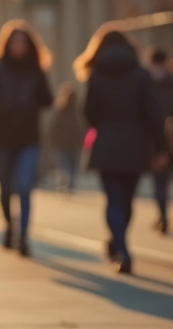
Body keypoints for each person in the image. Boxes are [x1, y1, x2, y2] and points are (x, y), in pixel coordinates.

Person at [76, 26, 170, 274]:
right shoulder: (141, 75)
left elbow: (89, 114)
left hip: (106, 144)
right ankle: (121, 245)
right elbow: (154, 113)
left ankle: (121, 246)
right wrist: (161, 148)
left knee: (114, 200)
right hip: (135, 146)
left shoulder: (96, 76)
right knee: (127, 201)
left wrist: (105, 124)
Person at [0, 20, 54, 257]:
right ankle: (9, 226)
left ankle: (23, 237)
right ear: (7, 44)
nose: (19, 46)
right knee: (5, 189)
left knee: (23, 186)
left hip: (28, 139)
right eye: (14, 41)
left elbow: (47, 99)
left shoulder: (36, 69)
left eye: (23, 41)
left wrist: (30, 104)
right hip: (1, 137)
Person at [146, 47, 173, 234]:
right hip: (162, 141)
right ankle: (162, 217)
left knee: (160, 183)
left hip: (158, 142)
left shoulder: (145, 83)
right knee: (160, 183)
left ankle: (162, 217)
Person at [48, 82, 83, 195]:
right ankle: (67, 185)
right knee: (67, 166)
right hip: (66, 143)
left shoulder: (77, 111)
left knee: (66, 166)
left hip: (67, 143)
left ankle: (67, 185)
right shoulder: (69, 111)